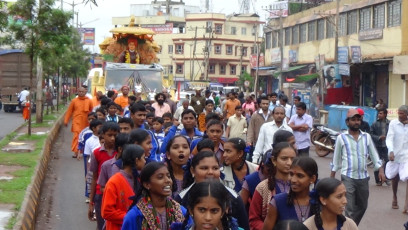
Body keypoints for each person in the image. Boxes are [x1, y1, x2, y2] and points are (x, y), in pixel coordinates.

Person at [330, 108, 385, 225]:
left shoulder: (366, 137)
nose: (356, 122)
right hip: (347, 177)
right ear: (347, 122)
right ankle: (349, 227)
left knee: (362, 206)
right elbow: (336, 159)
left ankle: (350, 226)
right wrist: (331, 178)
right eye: (353, 120)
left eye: (358, 120)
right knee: (348, 208)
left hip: (363, 178)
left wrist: (380, 170)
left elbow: (374, 155)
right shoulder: (341, 138)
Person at [176, 151, 250, 230]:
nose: (210, 172)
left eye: (215, 168)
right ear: (193, 170)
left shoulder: (234, 198)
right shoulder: (181, 198)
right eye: (204, 168)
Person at [122, 162, 187, 229]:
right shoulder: (135, 216)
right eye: (160, 177)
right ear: (147, 185)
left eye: (168, 176)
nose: (168, 180)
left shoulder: (181, 211)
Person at [249, 142, 295, 230]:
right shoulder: (263, 187)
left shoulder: (299, 186)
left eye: (293, 159)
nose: (289, 163)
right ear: (274, 160)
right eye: (284, 158)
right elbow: (254, 220)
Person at [263, 157, 319, 229]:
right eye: (291, 174)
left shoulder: (319, 203)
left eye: (300, 176)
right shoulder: (278, 202)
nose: (293, 180)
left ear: (312, 179)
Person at [101, 144, 146, 230]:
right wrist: (132, 217)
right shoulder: (114, 182)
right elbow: (107, 212)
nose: (145, 161)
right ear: (136, 161)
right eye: (143, 158)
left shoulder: (140, 179)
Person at [88, 122, 119, 230]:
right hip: (100, 194)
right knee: (101, 225)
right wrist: (91, 202)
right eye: (109, 135)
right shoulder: (96, 153)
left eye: (115, 135)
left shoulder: (120, 153)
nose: (113, 138)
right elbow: (94, 177)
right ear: (103, 135)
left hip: (117, 195)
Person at [386, 105, 408, 212]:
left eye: (402, 114)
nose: (399, 115)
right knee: (395, 178)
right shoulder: (393, 123)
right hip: (395, 155)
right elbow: (389, 138)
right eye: (398, 113)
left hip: (406, 156)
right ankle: (394, 196)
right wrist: (391, 150)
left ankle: (406, 204)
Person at [64, 87, 94, 158]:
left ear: (85, 92)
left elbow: (91, 111)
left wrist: (92, 121)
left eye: (82, 92)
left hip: (86, 122)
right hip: (76, 121)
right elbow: (69, 111)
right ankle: (76, 151)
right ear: (78, 92)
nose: (81, 93)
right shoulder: (74, 101)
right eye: (80, 91)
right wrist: (66, 120)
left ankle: (84, 151)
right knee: (77, 135)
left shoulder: (89, 101)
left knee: (85, 136)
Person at [83, 119, 103, 202]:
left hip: (102, 164)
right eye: (100, 127)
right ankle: (91, 198)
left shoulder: (105, 139)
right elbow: (87, 157)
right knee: (93, 182)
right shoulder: (89, 141)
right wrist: (87, 172)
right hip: (93, 165)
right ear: (94, 128)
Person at [370, 108, 390, 186]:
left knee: (387, 162)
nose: (379, 115)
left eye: (381, 113)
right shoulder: (375, 124)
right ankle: (378, 180)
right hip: (377, 146)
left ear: (385, 114)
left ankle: (386, 178)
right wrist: (378, 137)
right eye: (378, 113)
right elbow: (371, 134)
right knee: (377, 162)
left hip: (386, 146)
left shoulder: (389, 124)